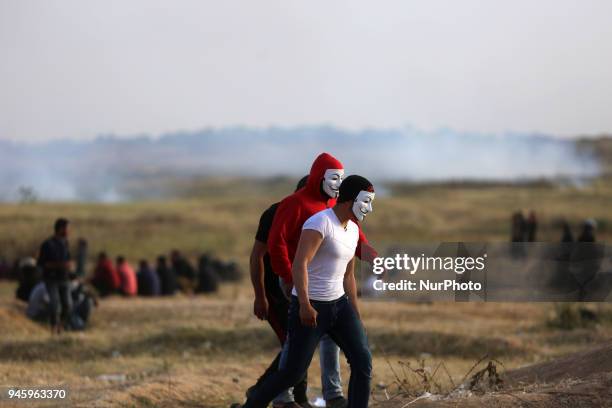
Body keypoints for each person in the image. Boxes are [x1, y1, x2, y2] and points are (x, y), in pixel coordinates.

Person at [240, 175, 375, 408]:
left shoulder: (352, 229)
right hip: (312, 305)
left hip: (340, 306)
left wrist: (355, 314)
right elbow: (299, 264)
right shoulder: (319, 223)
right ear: (348, 200)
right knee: (292, 372)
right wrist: (303, 304)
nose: (369, 208)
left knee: (363, 362)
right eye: (365, 201)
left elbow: (348, 275)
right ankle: (253, 403)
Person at [248, 175, 309, 407]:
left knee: (302, 344)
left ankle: (264, 392)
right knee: (293, 345)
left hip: (300, 291)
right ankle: (278, 397)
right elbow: (257, 256)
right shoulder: (274, 213)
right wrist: (260, 296)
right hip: (276, 294)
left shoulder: (320, 214)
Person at [37, 218, 73, 334]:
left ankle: (61, 326)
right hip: (51, 279)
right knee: (55, 304)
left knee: (68, 305)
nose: (69, 231)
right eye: (67, 228)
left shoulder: (65, 243)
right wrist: (59, 265)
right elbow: (41, 263)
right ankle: (53, 328)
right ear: (60, 228)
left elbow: (68, 260)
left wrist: (69, 266)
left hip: (65, 279)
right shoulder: (48, 244)